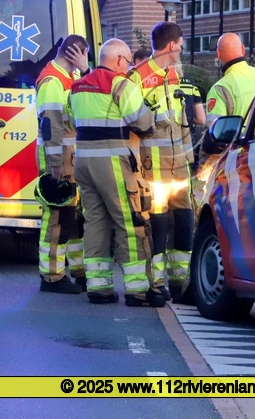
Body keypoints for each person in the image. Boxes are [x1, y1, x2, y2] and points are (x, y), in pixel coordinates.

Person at [68, 38, 165, 307]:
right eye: (128, 62)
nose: (129, 67)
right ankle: (137, 290)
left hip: (83, 161)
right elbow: (142, 123)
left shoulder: (76, 87)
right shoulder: (122, 85)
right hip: (112, 162)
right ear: (120, 60)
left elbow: (72, 119)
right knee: (130, 221)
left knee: (95, 222)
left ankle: (99, 287)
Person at [130, 22, 193, 301]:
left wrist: (190, 159)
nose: (181, 50)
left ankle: (181, 282)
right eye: (180, 45)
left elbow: (183, 123)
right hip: (152, 168)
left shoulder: (175, 74)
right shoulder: (137, 77)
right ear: (171, 45)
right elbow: (130, 126)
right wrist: (134, 167)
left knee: (183, 221)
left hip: (178, 167)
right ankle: (155, 283)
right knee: (157, 224)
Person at [35, 35, 90, 294]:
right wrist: (55, 164)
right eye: (84, 55)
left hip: (70, 157)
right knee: (57, 218)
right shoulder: (52, 81)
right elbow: (51, 125)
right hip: (59, 159)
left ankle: (79, 271)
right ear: (75, 54)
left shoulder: (68, 78)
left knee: (73, 218)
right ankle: (51, 276)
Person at [204, 33, 255, 129]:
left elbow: (214, 131)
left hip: (242, 139)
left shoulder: (220, 89)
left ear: (218, 53)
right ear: (243, 50)